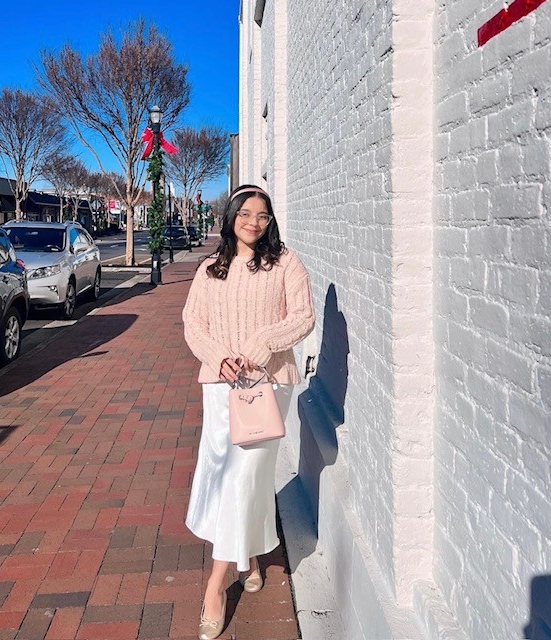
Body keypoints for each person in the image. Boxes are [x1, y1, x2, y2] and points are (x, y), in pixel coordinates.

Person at [182, 184, 315, 639]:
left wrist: (259, 347)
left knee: (246, 478)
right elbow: (192, 324)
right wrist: (221, 356)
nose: (254, 222)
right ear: (231, 216)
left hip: (267, 386)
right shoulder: (209, 270)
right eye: (246, 213)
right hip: (221, 388)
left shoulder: (286, 262)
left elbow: (303, 317)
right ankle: (249, 558)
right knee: (228, 476)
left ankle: (215, 587)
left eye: (263, 215)